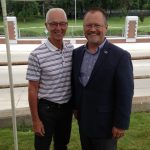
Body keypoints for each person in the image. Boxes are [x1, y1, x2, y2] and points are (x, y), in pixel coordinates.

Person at [72, 8, 134, 150]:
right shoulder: (77, 54)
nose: (92, 29)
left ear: (106, 28)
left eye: (97, 25)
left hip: (106, 126)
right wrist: (75, 106)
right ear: (83, 28)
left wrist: (121, 124)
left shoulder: (120, 56)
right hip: (84, 122)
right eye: (88, 25)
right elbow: (77, 85)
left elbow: (125, 93)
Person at [26, 8, 74, 150]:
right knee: (42, 146)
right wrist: (35, 120)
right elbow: (33, 89)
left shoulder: (71, 50)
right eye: (53, 24)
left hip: (66, 108)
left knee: (62, 144)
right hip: (46, 110)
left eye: (62, 23)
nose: (58, 28)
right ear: (46, 25)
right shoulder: (36, 55)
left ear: (67, 25)